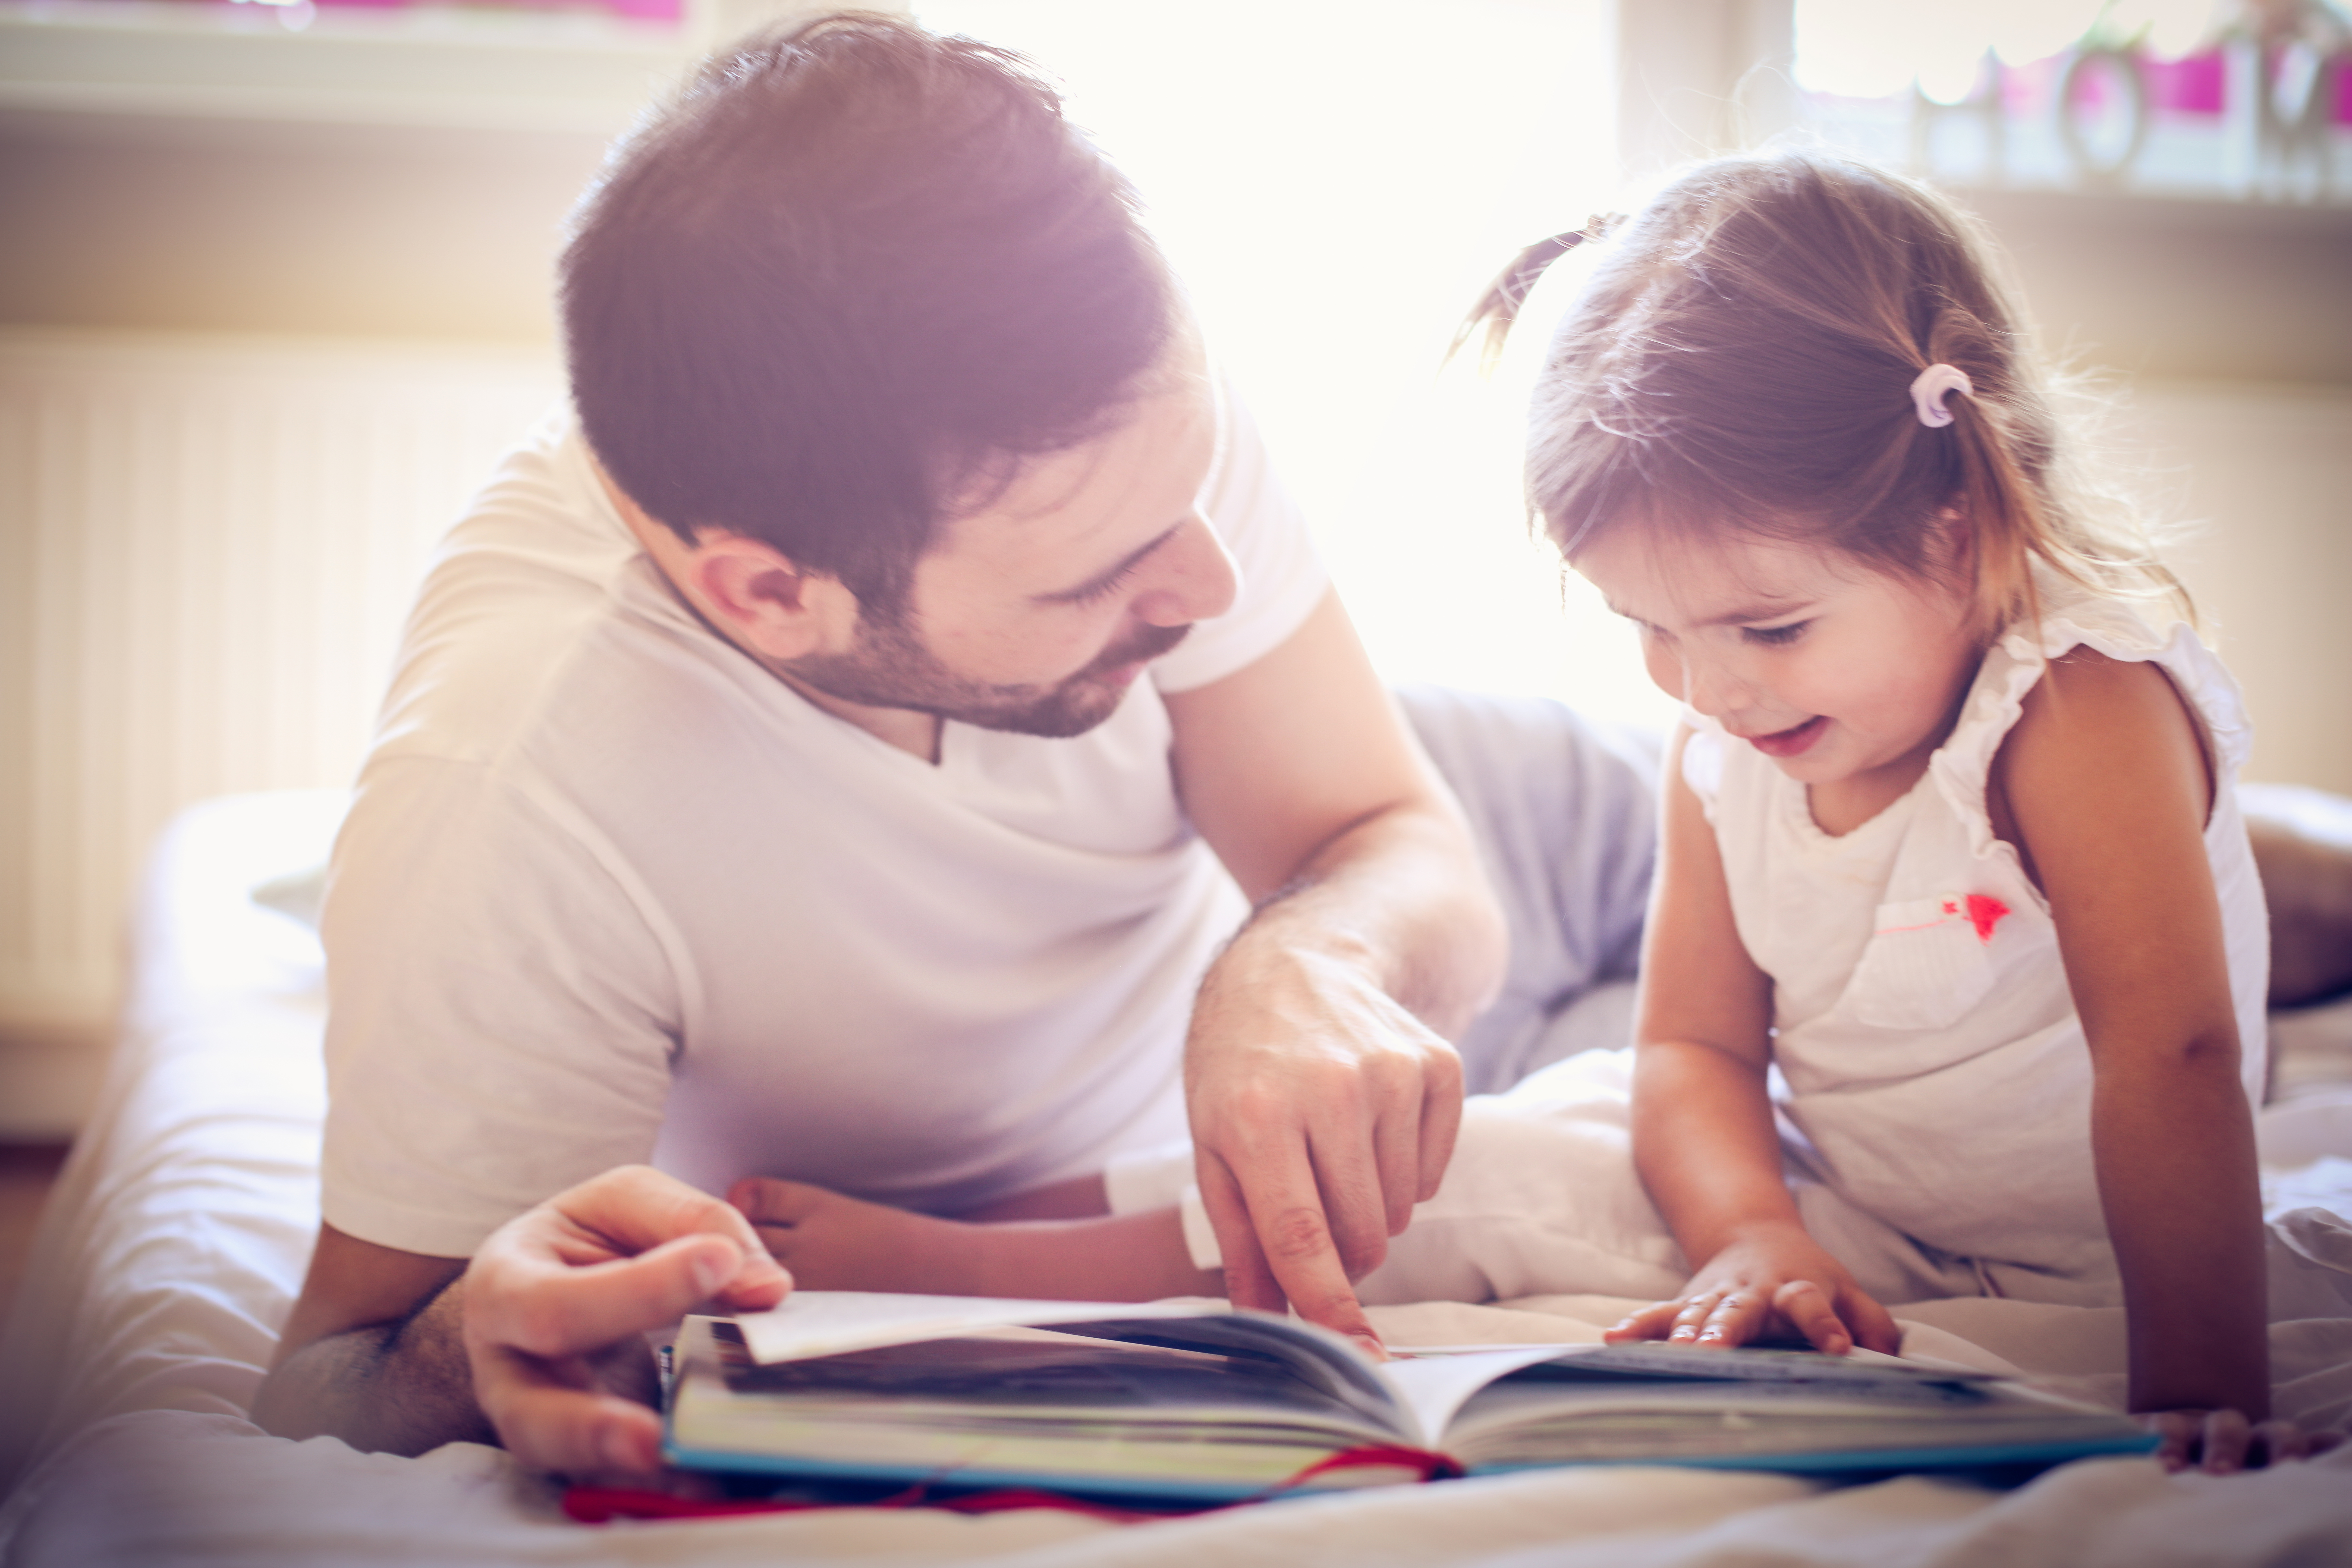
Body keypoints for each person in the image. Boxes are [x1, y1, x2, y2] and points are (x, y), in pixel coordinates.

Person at [249, 12, 1671, 1476]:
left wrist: (1307, 958)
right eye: (1094, 577)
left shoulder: (1100, 437)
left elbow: (1391, 837)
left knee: (1820, 858)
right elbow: (323, 1387)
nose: (1210, 591)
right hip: (1202, 1152)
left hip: (1448, 862)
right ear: (765, 595)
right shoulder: (521, 797)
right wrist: (463, 1347)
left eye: (1194, 493)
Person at [785, 147, 2350, 1476]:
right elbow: (1690, 1051)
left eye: (1767, 628)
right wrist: (1751, 1232)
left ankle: (964, 1247)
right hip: (1834, 1191)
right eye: (1644, 631)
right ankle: (964, 1242)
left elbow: (2176, 1049)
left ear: (1958, 525)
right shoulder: (1724, 752)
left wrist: (2201, 1380)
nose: (1705, 689)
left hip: (2115, 1243)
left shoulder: (2069, 707)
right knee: (1457, 1148)